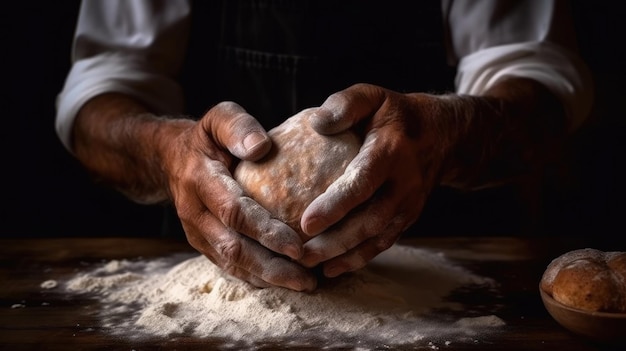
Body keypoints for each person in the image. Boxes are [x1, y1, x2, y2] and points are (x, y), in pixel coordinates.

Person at [55, 0, 594, 292]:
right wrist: (167, 151)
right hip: (225, 253)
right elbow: (99, 91)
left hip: (455, 272)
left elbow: (540, 83)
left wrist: (446, 133)